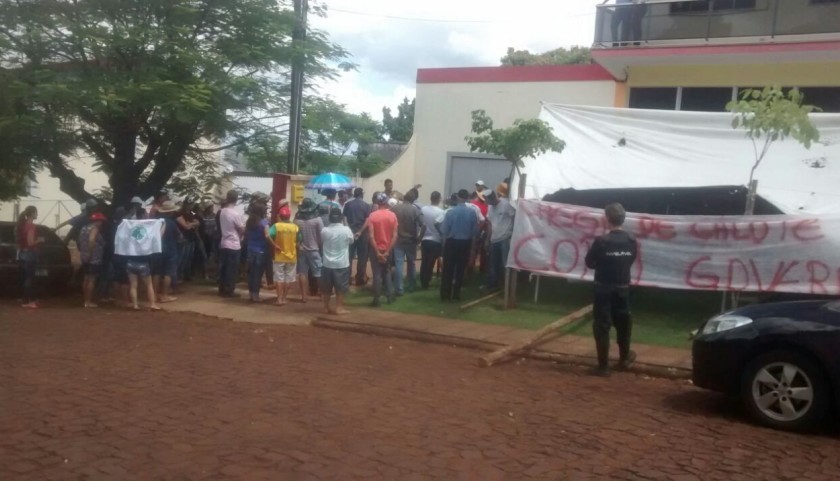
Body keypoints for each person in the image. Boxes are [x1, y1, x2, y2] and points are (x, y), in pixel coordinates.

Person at [584, 203, 639, 377]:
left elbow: (589, 262)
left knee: (602, 325)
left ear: (607, 219)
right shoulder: (631, 241)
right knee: (624, 323)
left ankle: (603, 366)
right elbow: (630, 260)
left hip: (603, 289)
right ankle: (624, 358)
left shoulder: (602, 241)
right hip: (623, 288)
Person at [114, 215, 164, 311]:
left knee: (133, 285)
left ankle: (135, 305)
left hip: (130, 263)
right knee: (149, 285)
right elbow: (157, 237)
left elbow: (122, 237)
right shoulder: (147, 240)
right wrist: (162, 224)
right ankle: (152, 304)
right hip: (143, 264)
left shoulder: (130, 240)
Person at [440, 189, 478, 301]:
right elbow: (474, 233)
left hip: (452, 242)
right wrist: (472, 250)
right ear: (467, 198)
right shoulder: (472, 213)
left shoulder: (450, 212)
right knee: (460, 270)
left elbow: (444, 232)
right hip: (465, 243)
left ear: (457, 197)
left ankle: (445, 295)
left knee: (448, 270)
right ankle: (456, 294)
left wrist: (443, 248)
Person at [366, 192, 398, 307]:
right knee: (387, 272)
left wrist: (378, 252)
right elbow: (394, 236)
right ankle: (390, 297)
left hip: (376, 249)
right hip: (388, 248)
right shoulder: (392, 215)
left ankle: (376, 299)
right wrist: (388, 251)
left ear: (377, 202)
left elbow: (371, 236)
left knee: (377, 274)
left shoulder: (372, 216)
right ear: (386, 202)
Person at [320, 207, 354, 314]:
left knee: (327, 288)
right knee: (340, 287)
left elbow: (322, 241)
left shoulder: (324, 230)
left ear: (330, 218)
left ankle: (326, 307)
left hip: (327, 263)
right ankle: (339, 308)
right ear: (341, 218)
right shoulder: (346, 230)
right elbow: (351, 241)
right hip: (341, 264)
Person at [267, 202, 300, 306]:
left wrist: (274, 245)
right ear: (289, 216)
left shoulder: (276, 226)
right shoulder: (295, 227)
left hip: (279, 256)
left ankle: (279, 299)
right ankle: (284, 298)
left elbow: (267, 235)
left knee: (279, 278)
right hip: (292, 257)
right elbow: (299, 242)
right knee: (288, 279)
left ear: (280, 216)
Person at [392, 189, 424, 295]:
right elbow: (423, 225)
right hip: (411, 240)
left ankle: (399, 288)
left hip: (398, 240)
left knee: (399, 265)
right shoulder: (414, 210)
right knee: (412, 264)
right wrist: (420, 238)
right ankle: (411, 286)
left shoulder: (395, 208)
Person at [484, 187, 515, 290]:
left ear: (493, 197)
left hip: (505, 238)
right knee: (493, 264)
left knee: (504, 263)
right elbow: (490, 224)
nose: (488, 203)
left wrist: (513, 235)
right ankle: (493, 284)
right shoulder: (490, 207)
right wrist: (488, 239)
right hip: (494, 239)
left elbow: (514, 218)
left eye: (488, 200)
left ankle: (506, 285)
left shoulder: (506, 204)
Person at [295, 198, 324, 301]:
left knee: (302, 273)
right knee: (319, 272)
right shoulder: (317, 220)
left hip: (302, 249)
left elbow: (296, 236)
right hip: (314, 249)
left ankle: (304, 297)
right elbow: (321, 236)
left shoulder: (297, 220)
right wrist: (321, 247)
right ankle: (322, 295)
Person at [152, 201, 180, 303]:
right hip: (170, 250)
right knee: (168, 273)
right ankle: (164, 295)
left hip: (157, 249)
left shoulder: (155, 221)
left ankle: (154, 295)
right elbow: (178, 236)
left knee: (156, 272)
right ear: (171, 212)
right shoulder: (172, 223)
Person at [218, 190, 245, 297]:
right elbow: (241, 229)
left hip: (224, 242)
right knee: (232, 269)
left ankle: (222, 288)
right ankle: (229, 290)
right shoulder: (235, 214)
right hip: (234, 244)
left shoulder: (222, 212)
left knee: (224, 268)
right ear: (236, 199)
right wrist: (241, 235)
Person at [343, 187, 371, 286]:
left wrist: (349, 230)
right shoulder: (366, 206)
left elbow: (345, 219)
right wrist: (360, 231)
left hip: (350, 233)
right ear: (361, 194)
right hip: (362, 235)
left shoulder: (348, 205)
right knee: (362, 257)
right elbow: (367, 221)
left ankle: (347, 279)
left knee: (349, 257)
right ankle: (360, 279)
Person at [79, 212, 106, 308]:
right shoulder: (95, 229)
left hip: (84, 257)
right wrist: (90, 253)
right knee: (92, 280)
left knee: (86, 278)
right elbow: (91, 240)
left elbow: (81, 242)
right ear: (97, 221)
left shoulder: (83, 229)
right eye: (101, 221)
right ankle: (88, 301)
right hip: (93, 258)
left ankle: (85, 300)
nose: (102, 223)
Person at [16, 206, 41, 308]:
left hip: (23, 253)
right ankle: (28, 301)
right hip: (30, 253)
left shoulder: (22, 225)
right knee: (30, 278)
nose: (37, 214)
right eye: (36, 212)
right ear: (32, 213)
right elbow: (30, 242)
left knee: (25, 277)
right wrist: (39, 240)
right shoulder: (31, 226)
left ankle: (26, 298)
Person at [244, 204, 270, 302]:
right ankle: (256, 296)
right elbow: (267, 237)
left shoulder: (249, 223)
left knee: (251, 274)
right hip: (261, 251)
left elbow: (246, 236)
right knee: (257, 275)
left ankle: (251, 294)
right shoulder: (264, 223)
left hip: (250, 250)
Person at [419, 191, 444, 290]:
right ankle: (426, 281)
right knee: (431, 262)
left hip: (425, 239)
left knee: (424, 261)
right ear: (438, 199)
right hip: (436, 239)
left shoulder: (424, 209)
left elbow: (423, 224)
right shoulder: (441, 212)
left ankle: (423, 280)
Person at [176, 201, 200, 283]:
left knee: (188, 259)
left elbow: (197, 222)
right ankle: (178, 276)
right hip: (184, 238)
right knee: (182, 259)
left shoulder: (191, 213)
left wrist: (191, 224)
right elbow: (186, 226)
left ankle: (186, 275)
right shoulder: (180, 213)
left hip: (191, 238)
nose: (191, 205)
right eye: (189, 204)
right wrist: (192, 224)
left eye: (192, 204)